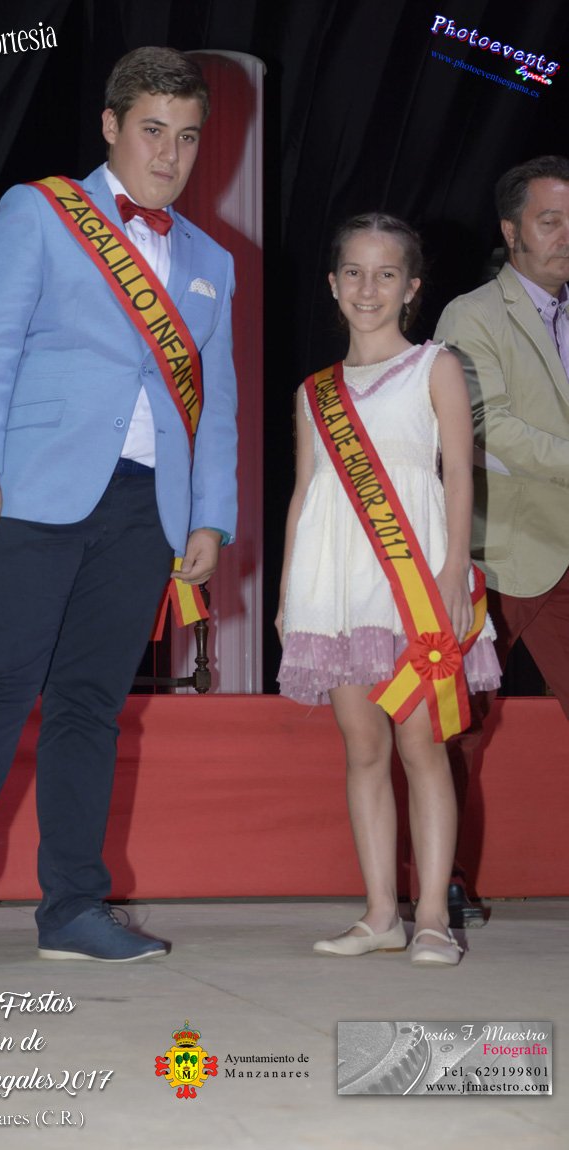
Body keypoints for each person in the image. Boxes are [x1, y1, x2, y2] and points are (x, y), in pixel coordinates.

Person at [0, 47, 238, 977]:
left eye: (186, 137)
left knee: (90, 707)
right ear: (111, 127)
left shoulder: (211, 262)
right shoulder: (39, 212)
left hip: (145, 508)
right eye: (151, 130)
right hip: (32, 489)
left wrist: (209, 516)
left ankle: (72, 905)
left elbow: (218, 401)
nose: (169, 154)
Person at [276, 214, 500, 966]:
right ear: (332, 283)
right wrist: (290, 595)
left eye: (384, 274)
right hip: (337, 589)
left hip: (414, 584)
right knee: (363, 746)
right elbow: (304, 493)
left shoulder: (435, 365)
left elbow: (458, 475)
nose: (366, 288)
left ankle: (431, 915)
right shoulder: (314, 392)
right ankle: (380, 913)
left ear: (411, 287)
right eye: (353, 272)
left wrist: (452, 573)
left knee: (420, 744)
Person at [435, 157, 569, 921]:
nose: (564, 236)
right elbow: (483, 426)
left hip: (562, 545)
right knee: (459, 724)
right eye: (548, 221)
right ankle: (439, 879)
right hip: (499, 550)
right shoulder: (470, 315)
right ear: (511, 230)